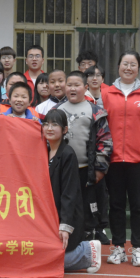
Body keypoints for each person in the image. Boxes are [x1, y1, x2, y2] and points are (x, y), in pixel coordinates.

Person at [101, 51, 140, 268]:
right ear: (118, 66)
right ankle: (118, 247)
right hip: (113, 159)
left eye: (132, 64)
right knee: (115, 205)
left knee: (138, 205)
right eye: (125, 63)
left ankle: (137, 249)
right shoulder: (106, 93)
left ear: (138, 68)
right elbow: (100, 126)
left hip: (139, 160)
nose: (128, 68)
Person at [54, 71, 113, 245]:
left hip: (86, 171)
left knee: (87, 209)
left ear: (86, 88)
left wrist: (100, 169)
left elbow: (105, 141)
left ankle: (87, 241)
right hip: (62, 171)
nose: (72, 88)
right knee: (64, 205)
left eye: (77, 85)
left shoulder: (95, 111)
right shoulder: (56, 111)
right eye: (69, 85)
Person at [43, 109, 102, 274]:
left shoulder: (68, 154)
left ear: (65, 130)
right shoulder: (43, 152)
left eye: (55, 125)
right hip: (48, 217)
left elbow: (70, 193)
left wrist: (65, 226)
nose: (49, 128)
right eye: (46, 124)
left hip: (65, 216)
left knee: (48, 262)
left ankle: (87, 251)